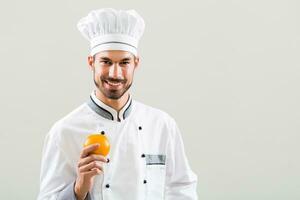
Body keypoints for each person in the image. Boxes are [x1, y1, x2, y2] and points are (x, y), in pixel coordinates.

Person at [37, 8, 198, 200]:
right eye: (105, 61)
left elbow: (182, 189)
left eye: (124, 62)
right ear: (91, 62)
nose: (115, 73)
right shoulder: (64, 131)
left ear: (135, 64)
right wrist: (78, 189)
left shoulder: (162, 124)